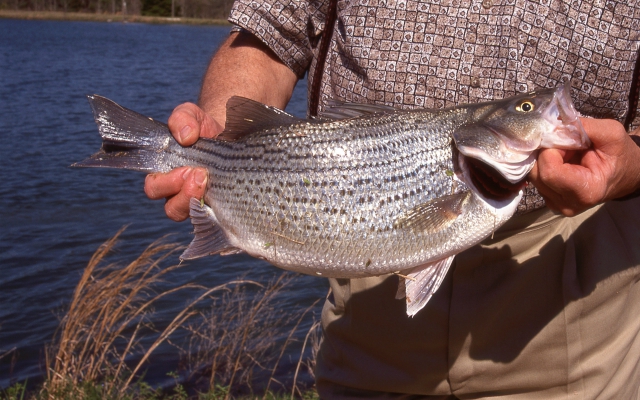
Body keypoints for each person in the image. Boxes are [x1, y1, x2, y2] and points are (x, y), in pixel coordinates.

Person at [144, 1, 640, 397]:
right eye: (526, 110)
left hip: (572, 314)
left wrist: (626, 168)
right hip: (368, 299)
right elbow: (273, 30)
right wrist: (217, 142)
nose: (542, 111)